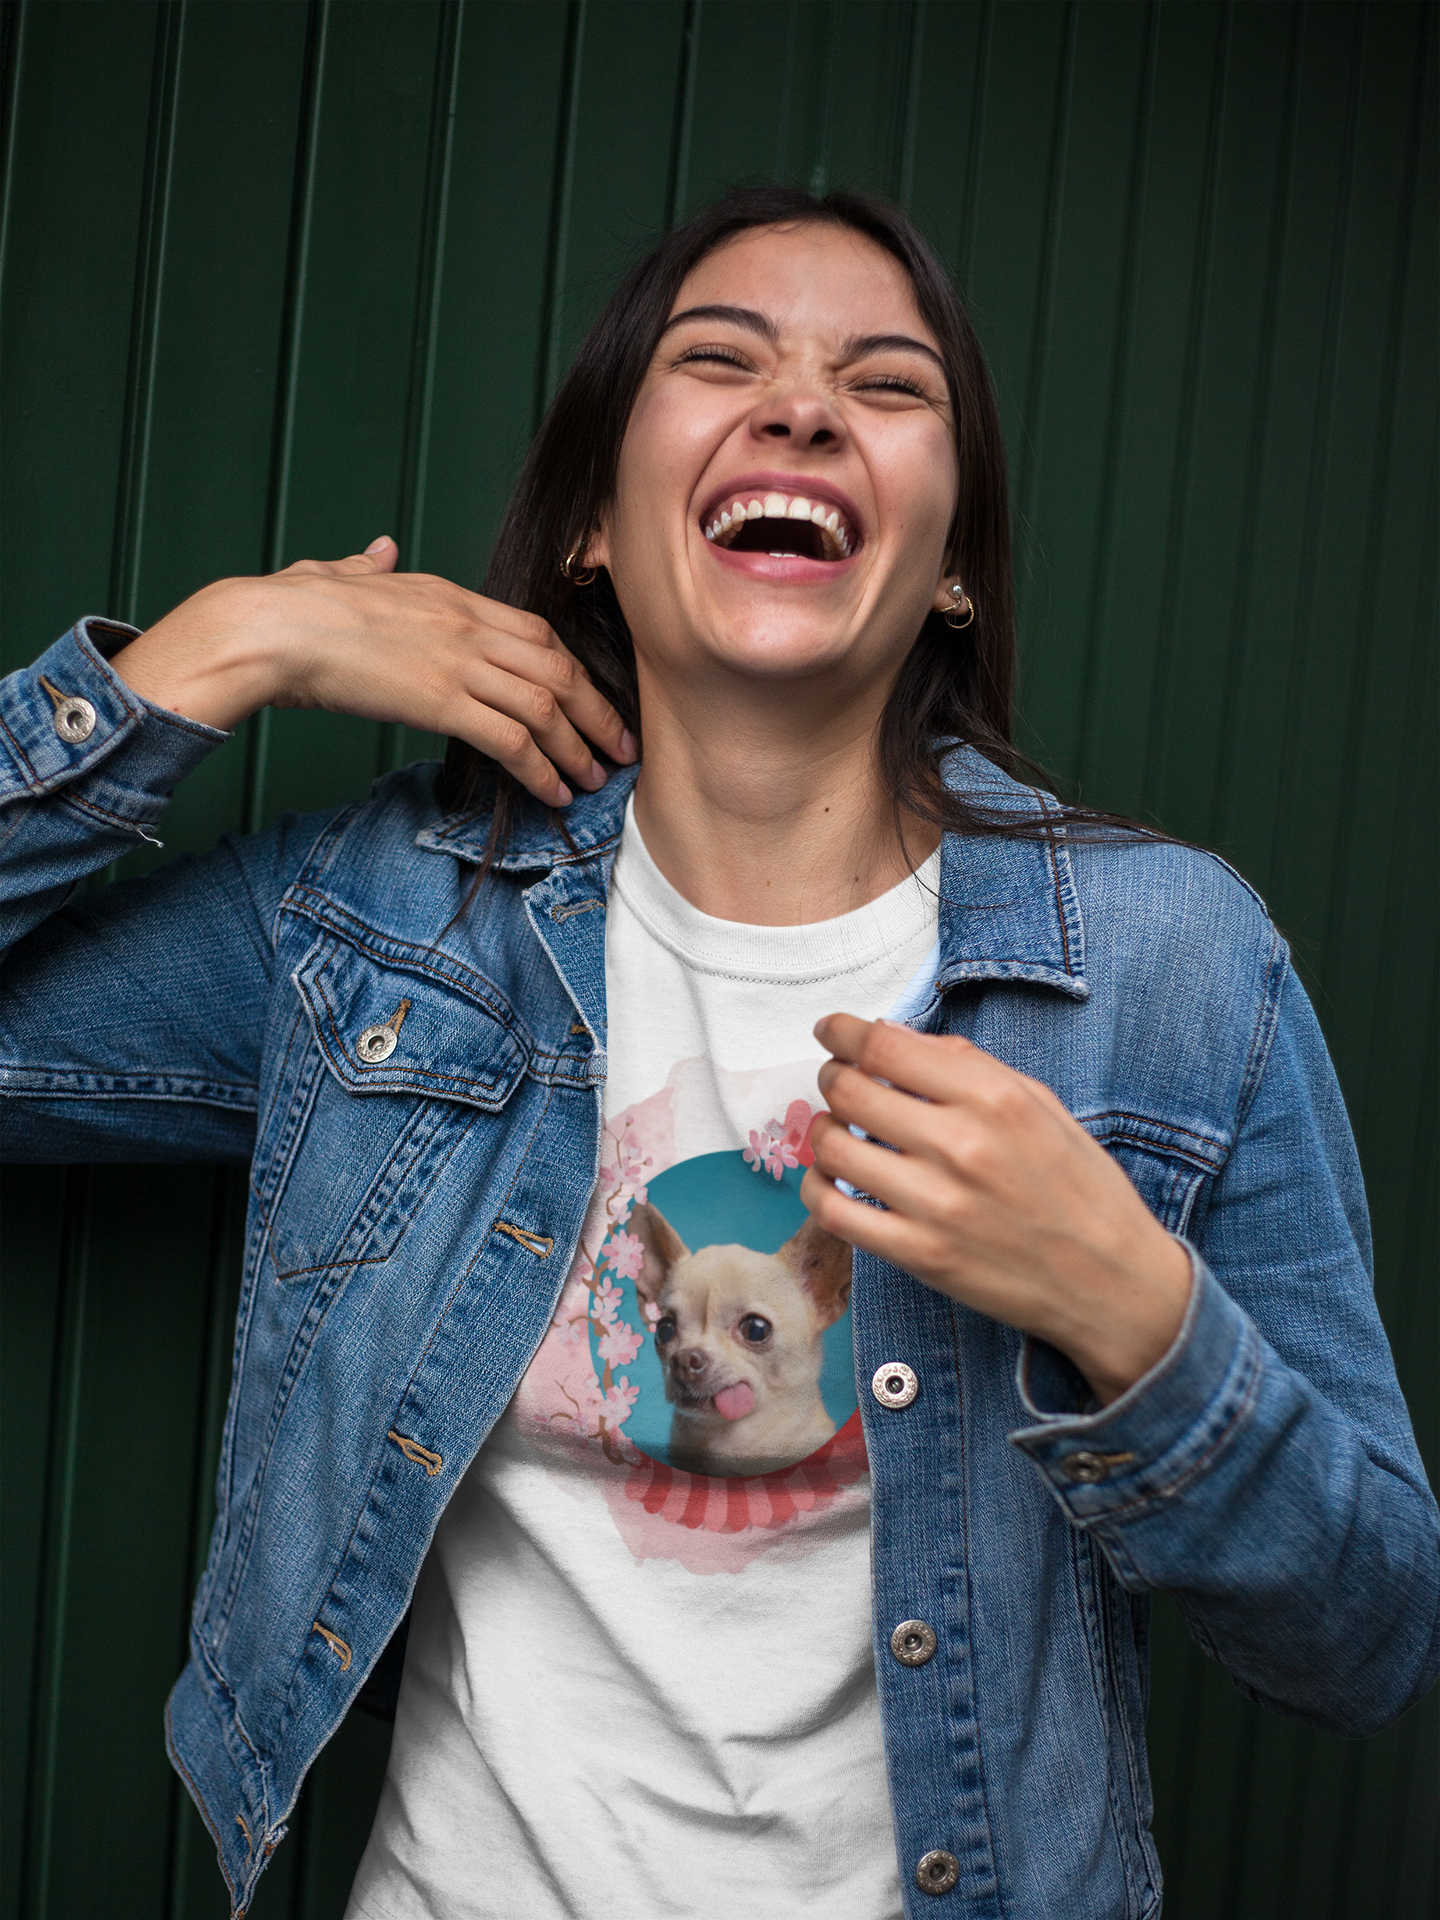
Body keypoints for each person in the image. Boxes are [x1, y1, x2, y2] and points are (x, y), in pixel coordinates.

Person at [0, 183, 1435, 1920]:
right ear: (598, 520)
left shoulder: (1173, 968)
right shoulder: (391, 924)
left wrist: (1135, 1315)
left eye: (888, 386)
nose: (806, 403)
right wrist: (218, 651)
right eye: (721, 358)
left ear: (958, 557)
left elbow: (1369, 1641)